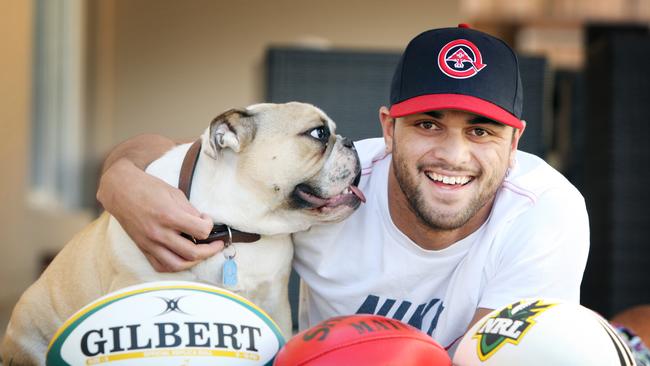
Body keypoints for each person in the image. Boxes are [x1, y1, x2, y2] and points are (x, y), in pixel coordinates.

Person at [97, 25, 589, 353]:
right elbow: (177, 149)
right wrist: (120, 180)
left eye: (481, 131)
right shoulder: (327, 192)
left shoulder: (545, 212)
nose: (453, 156)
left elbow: (491, 359)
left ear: (515, 142)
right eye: (428, 124)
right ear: (390, 129)